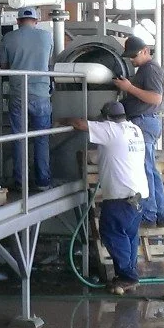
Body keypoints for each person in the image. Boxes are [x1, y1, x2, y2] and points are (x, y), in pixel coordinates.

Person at [64, 103, 148, 292]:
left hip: (120, 196)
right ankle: (127, 275)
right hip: (138, 194)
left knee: (112, 232)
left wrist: (62, 120)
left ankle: (127, 276)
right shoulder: (134, 130)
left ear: (107, 117)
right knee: (129, 236)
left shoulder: (112, 130)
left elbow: (80, 124)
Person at [0, 7, 53, 190]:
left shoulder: (8, 38)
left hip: (18, 93)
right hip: (42, 93)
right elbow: (48, 60)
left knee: (20, 138)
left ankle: (22, 183)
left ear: (17, 21)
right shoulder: (46, 37)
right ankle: (43, 181)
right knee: (41, 138)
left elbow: (3, 66)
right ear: (36, 21)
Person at [115, 34, 164, 225]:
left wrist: (129, 88)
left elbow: (155, 98)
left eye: (134, 55)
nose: (132, 60)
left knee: (144, 170)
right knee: (151, 170)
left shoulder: (150, 69)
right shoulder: (145, 70)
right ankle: (162, 215)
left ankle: (149, 215)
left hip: (143, 122)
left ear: (145, 51)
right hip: (146, 122)